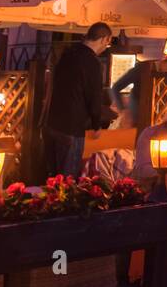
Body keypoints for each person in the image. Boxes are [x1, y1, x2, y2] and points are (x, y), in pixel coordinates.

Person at [42, 23, 116, 178]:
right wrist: (96, 124)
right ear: (103, 39)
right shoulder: (92, 62)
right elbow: (94, 95)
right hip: (72, 126)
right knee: (67, 181)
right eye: (108, 43)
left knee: (52, 178)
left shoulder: (67, 53)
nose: (106, 47)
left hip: (51, 123)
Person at [111, 50, 167, 128]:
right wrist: (123, 111)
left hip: (157, 125)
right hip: (134, 123)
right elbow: (116, 87)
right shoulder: (143, 69)